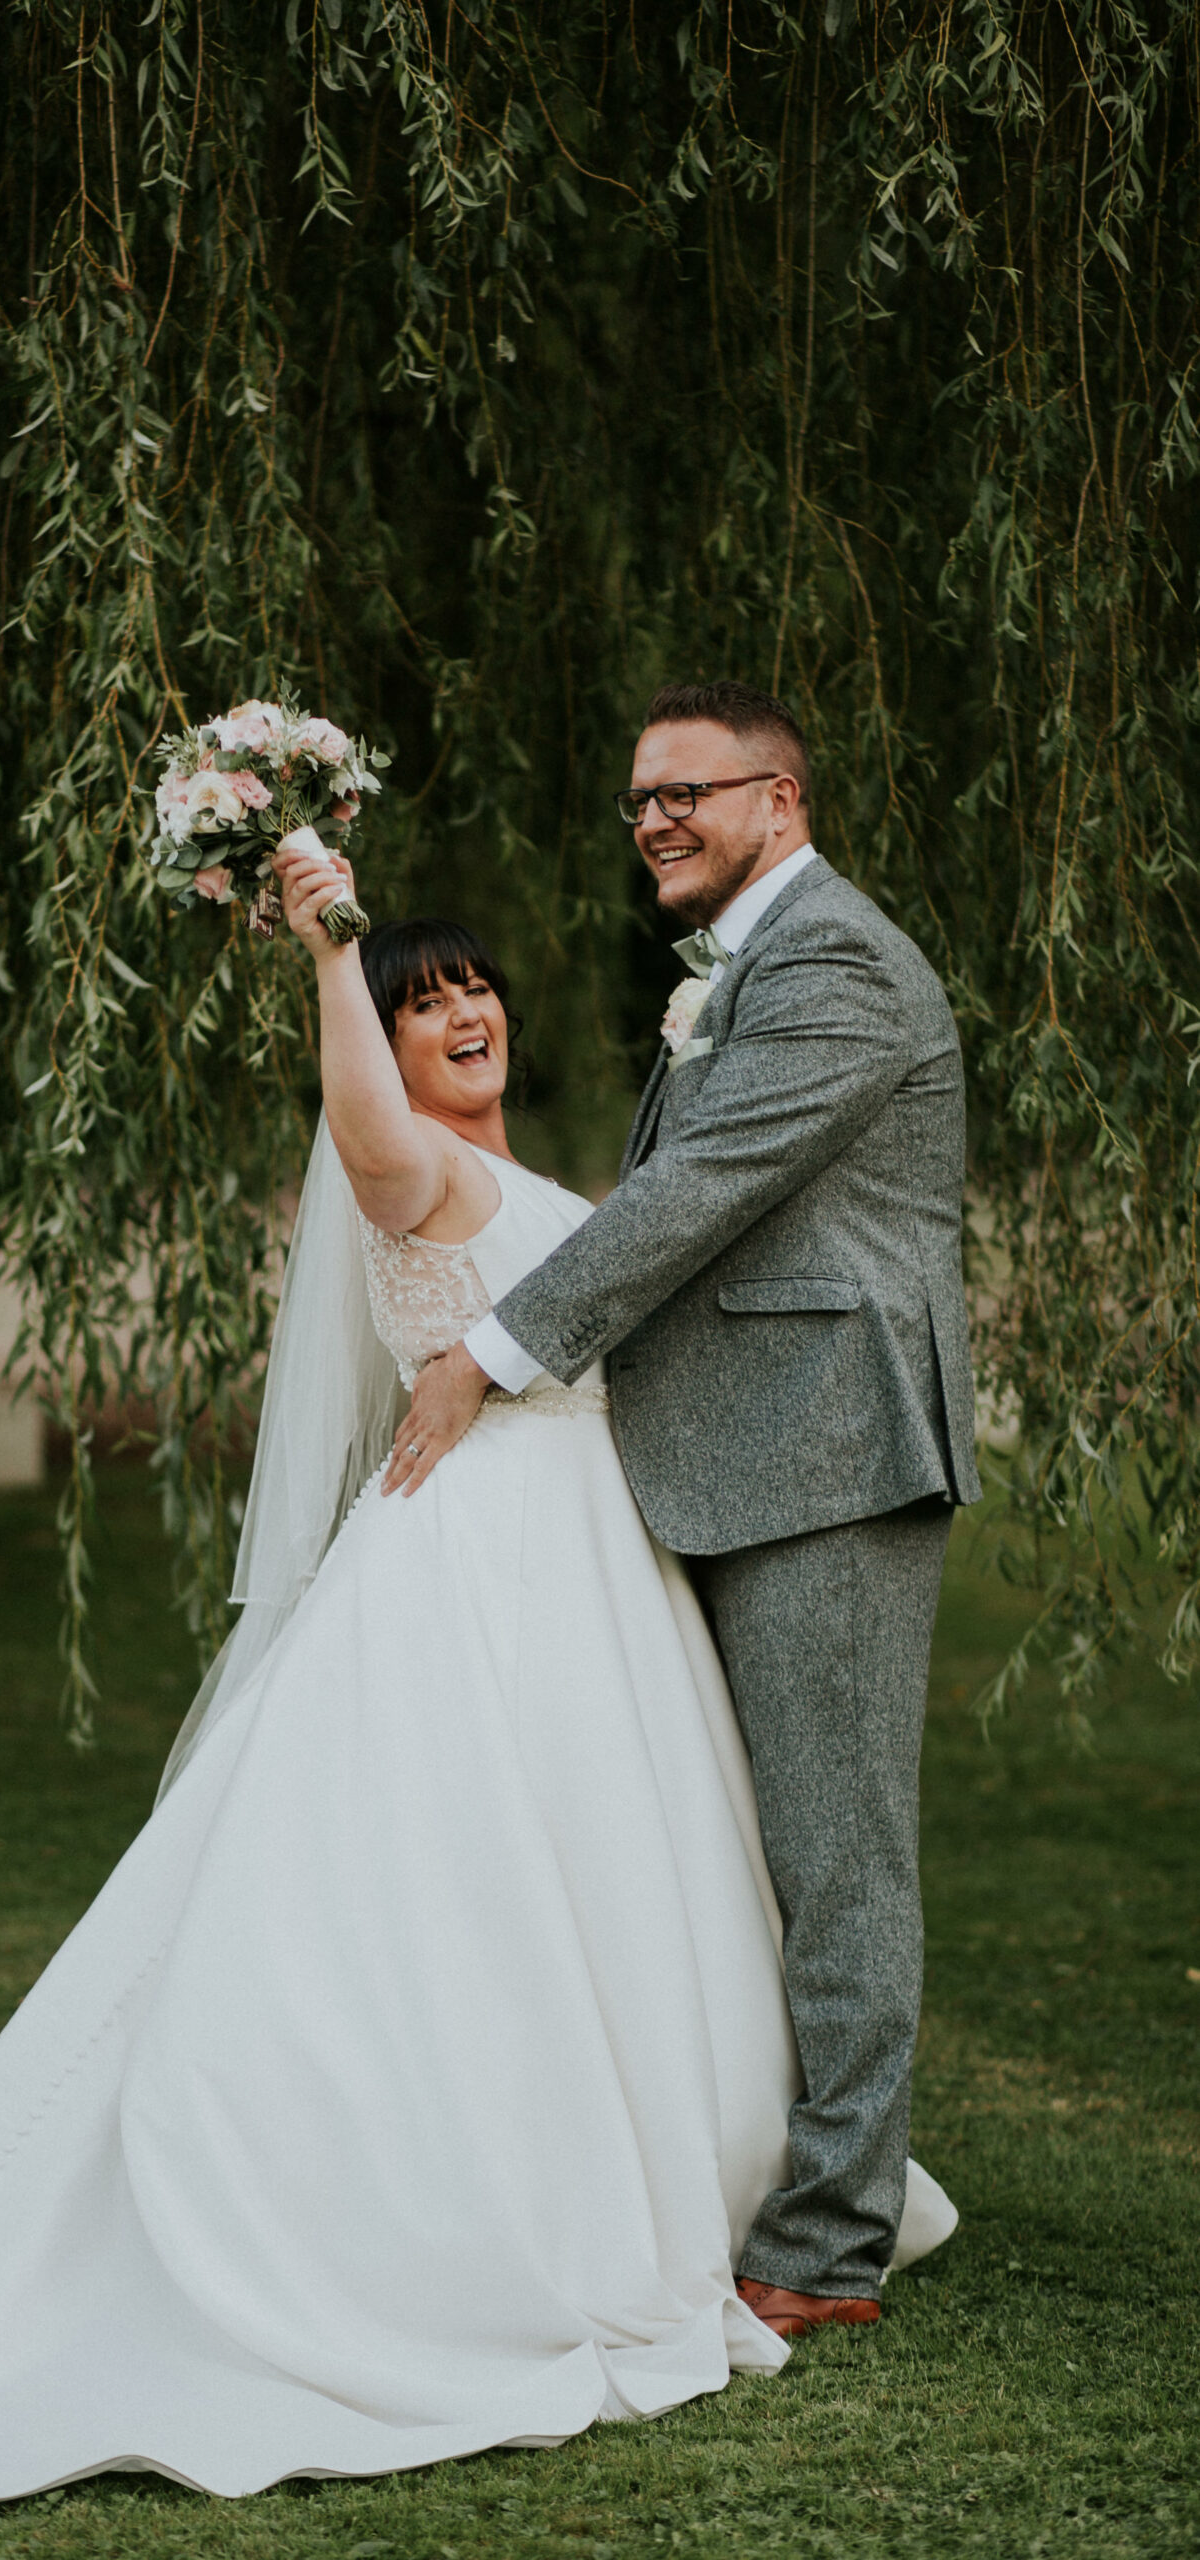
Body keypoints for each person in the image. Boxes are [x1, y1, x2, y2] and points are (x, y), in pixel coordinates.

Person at [0, 754, 955, 2506]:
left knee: (630, 1880)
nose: (462, 1011)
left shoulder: (548, 1168)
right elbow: (359, 1124)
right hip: (477, 1570)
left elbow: (658, 1251)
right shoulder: (402, 1162)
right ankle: (471, 2206)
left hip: (599, 1569)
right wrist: (329, 941)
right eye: (429, 1005)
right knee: (466, 1895)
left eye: (471, 984)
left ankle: (719, 2179)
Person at [392, 676, 980, 2339]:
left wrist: (495, 1351)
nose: (654, 820)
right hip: (740, 1453)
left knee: (836, 1859)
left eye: (688, 794)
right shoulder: (752, 965)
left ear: (779, 801)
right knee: (731, 1849)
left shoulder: (839, 963)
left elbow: (705, 1191)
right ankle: (731, 2172)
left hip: (830, 1455)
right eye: (640, 799)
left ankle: (829, 2243)